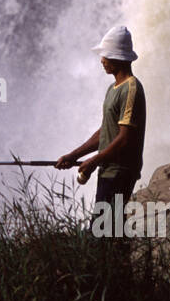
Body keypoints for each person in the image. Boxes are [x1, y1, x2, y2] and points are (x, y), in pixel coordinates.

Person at [55, 25, 146, 229]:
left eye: (105, 55)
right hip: (108, 170)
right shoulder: (113, 88)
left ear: (116, 57)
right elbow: (104, 132)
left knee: (102, 233)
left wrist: (94, 161)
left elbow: (125, 139)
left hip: (120, 172)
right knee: (110, 232)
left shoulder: (131, 89)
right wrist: (73, 155)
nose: (102, 60)